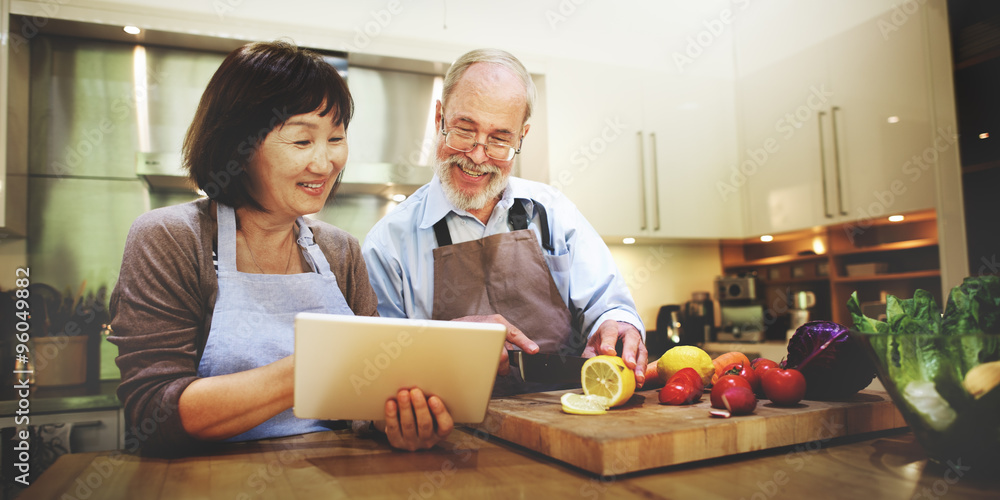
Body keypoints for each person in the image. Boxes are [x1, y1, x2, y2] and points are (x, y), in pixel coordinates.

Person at [109, 40, 451, 455]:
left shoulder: (340, 251)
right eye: (301, 141)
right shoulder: (171, 239)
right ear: (240, 146)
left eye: (336, 138)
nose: (325, 163)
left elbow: (362, 399)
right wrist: (312, 368)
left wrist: (394, 419)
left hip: (329, 478)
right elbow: (152, 415)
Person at [362, 48, 648, 395]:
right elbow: (377, 369)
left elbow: (609, 305)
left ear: (521, 137)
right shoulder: (388, 243)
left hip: (564, 422)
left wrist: (616, 326)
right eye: (464, 130)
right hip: (447, 435)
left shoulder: (553, 212)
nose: (477, 156)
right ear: (439, 117)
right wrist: (443, 346)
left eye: (499, 139)